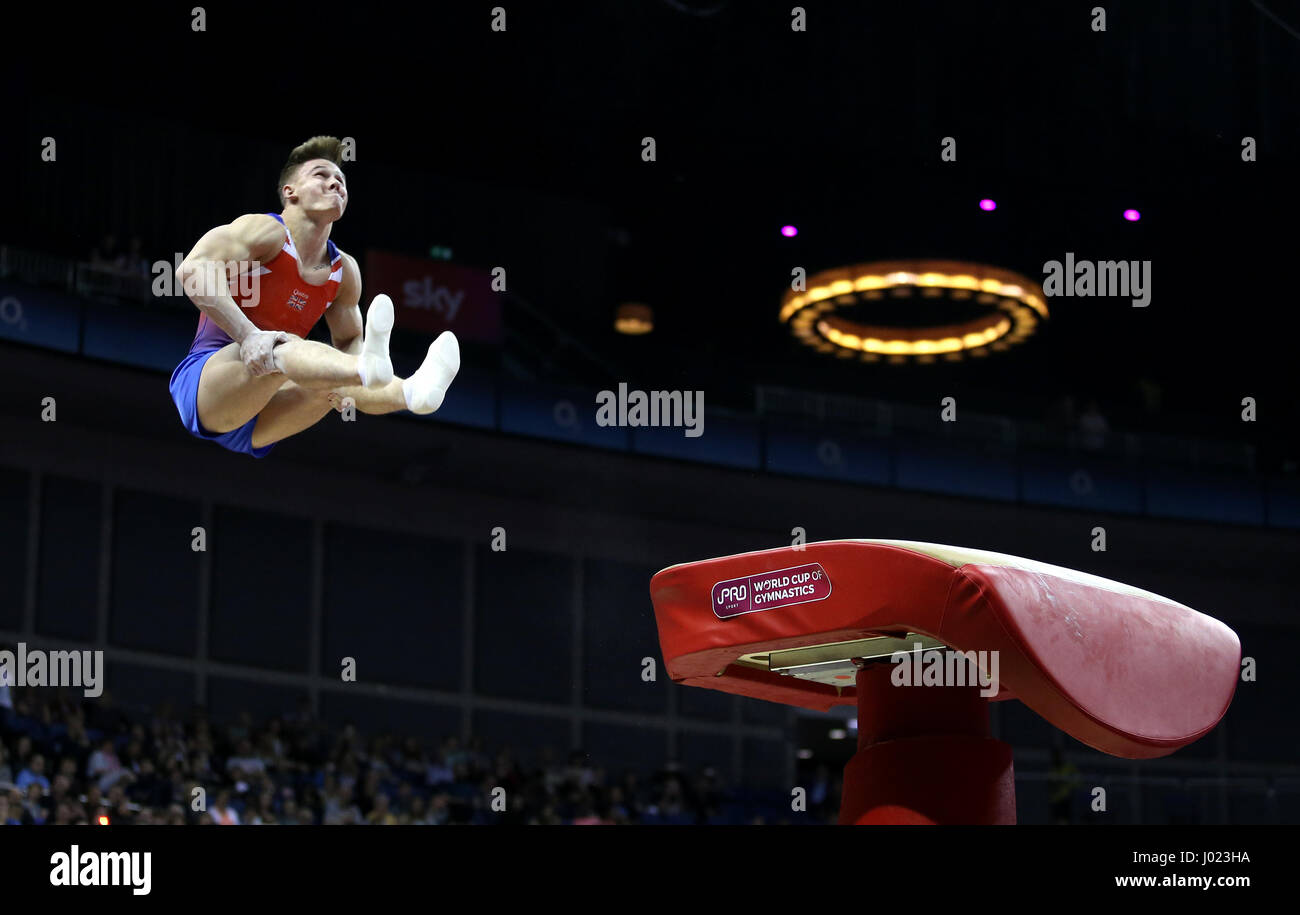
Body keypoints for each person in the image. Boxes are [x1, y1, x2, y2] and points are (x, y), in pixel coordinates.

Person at [168, 135, 461, 459]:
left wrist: (349, 369)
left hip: (265, 406)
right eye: (321, 175)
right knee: (286, 347)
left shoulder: (344, 271)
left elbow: (350, 339)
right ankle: (360, 371)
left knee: (334, 380)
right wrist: (248, 335)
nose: (335, 183)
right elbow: (191, 270)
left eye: (341, 180)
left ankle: (413, 392)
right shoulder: (265, 232)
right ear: (289, 192)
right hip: (208, 386)